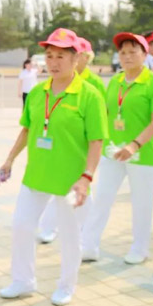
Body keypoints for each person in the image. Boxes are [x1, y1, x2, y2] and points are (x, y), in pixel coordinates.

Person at [0, 28, 107, 306]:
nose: (53, 62)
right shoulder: (38, 93)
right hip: (36, 175)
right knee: (22, 225)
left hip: (71, 181)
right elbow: (27, 130)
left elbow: (96, 141)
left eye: (60, 56)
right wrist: (9, 159)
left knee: (70, 237)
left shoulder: (89, 95)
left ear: (75, 58)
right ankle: (23, 280)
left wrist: (86, 177)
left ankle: (67, 285)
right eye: (49, 56)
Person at [82, 33, 153, 264]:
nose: (127, 56)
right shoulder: (116, 81)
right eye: (122, 52)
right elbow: (106, 113)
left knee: (142, 203)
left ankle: (140, 248)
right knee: (102, 198)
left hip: (143, 154)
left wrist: (134, 145)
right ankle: (89, 246)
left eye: (133, 52)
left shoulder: (152, 82)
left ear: (145, 54)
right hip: (113, 151)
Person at [37, 36, 107, 244]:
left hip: (84, 145)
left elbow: (101, 114)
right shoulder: (58, 80)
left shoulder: (93, 83)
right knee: (61, 190)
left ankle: (84, 234)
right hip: (62, 145)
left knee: (81, 190)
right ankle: (51, 228)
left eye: (84, 55)